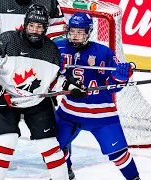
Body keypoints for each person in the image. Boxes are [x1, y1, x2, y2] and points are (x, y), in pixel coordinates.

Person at [0, 5, 87, 180]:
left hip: (37, 103)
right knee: (6, 143)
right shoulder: (7, 40)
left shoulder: (52, 51)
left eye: (40, 27)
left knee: (50, 146)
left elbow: (53, 81)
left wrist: (71, 88)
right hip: (7, 100)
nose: (35, 30)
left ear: (45, 28)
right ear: (26, 24)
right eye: (32, 26)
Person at [53, 12, 141, 180]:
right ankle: (66, 174)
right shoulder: (60, 48)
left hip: (101, 115)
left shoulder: (103, 53)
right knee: (52, 147)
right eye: (72, 31)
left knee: (119, 154)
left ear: (88, 33)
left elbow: (113, 87)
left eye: (80, 32)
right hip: (69, 113)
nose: (75, 36)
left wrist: (120, 77)